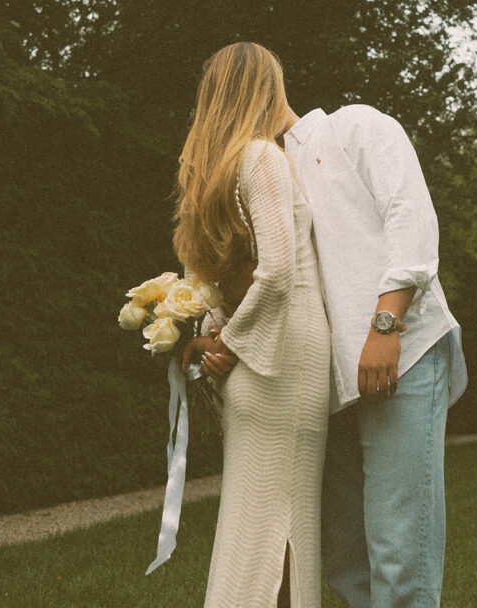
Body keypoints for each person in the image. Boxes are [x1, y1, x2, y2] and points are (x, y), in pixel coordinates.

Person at [205, 98, 468, 608]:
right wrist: (214, 332)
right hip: (323, 382)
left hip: (401, 356)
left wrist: (386, 325)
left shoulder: (355, 126)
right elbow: (258, 277)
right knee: (346, 562)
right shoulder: (257, 171)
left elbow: (409, 214)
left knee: (398, 556)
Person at [178, 42, 330, 608]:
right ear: (264, 89)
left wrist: (222, 337)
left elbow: (215, 284)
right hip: (284, 353)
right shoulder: (262, 156)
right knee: (283, 519)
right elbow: (281, 272)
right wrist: (231, 344)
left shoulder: (209, 173)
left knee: (257, 516)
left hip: (257, 353)